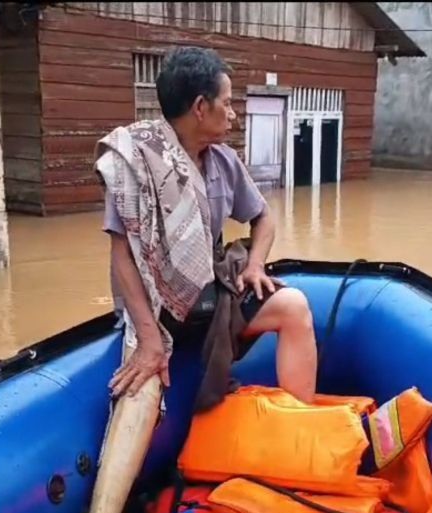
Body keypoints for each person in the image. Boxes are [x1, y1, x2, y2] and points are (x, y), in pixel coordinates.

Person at [99, 46, 318, 404]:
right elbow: (122, 257)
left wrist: (255, 265)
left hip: (211, 298)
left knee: (294, 307)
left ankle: (299, 430)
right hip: (157, 312)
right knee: (137, 400)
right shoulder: (136, 164)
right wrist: (150, 340)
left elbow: (264, 217)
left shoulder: (224, 161)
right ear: (201, 107)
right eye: (228, 103)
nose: (233, 115)